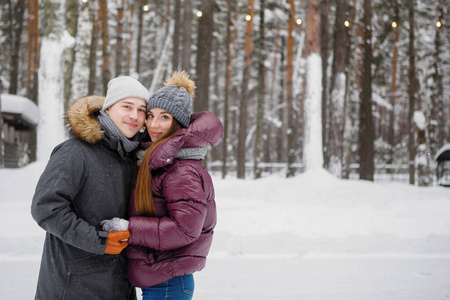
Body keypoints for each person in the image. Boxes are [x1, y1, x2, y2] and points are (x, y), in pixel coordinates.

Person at [101, 71, 223, 299]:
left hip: (168, 282)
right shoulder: (157, 159)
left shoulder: (181, 169)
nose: (154, 124)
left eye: (164, 117)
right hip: (160, 278)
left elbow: (184, 229)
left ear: (178, 122)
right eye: (150, 115)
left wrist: (129, 228)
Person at [31, 76, 150, 300]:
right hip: (72, 286)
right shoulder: (75, 152)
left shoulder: (130, 157)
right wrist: (99, 240)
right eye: (127, 106)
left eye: (141, 109)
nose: (134, 116)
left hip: (118, 285)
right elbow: (46, 208)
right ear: (108, 108)